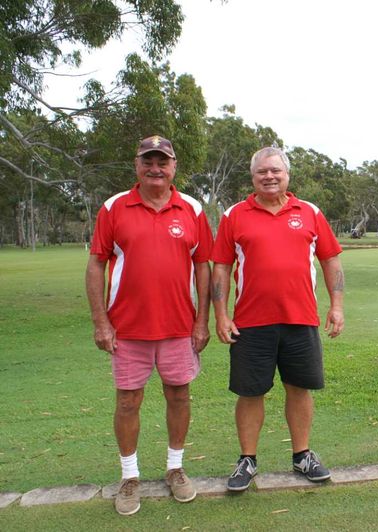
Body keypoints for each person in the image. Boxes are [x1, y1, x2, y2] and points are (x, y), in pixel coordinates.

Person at [86, 135, 213, 515]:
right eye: (148, 161)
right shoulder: (114, 207)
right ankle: (129, 476)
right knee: (128, 401)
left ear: (174, 167)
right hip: (127, 329)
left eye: (163, 161)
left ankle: (175, 468)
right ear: (137, 165)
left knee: (179, 396)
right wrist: (100, 322)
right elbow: (96, 264)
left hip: (178, 327)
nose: (155, 168)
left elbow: (203, 266)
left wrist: (202, 321)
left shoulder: (191, 208)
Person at [211, 146, 344, 491]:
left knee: (299, 388)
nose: (269, 177)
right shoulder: (234, 215)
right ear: (253, 177)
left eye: (275, 171)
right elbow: (221, 267)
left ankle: (302, 456)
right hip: (251, 323)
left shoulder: (310, 212)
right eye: (262, 172)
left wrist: (337, 305)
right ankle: (247, 460)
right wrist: (221, 315)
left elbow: (330, 260)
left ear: (287, 175)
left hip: (301, 320)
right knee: (250, 392)